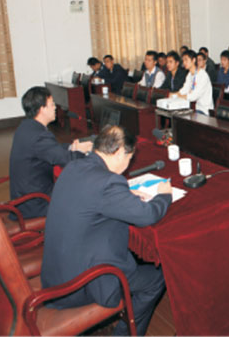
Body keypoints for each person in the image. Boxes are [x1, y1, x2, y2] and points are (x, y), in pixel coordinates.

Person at [40, 125, 172, 336]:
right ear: (119, 153)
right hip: (81, 285)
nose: (129, 164)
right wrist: (164, 195)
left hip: (56, 274)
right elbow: (147, 215)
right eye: (129, 158)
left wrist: (125, 196)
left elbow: (92, 197)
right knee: (157, 279)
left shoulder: (74, 167)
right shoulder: (108, 182)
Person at [9, 86, 92, 219]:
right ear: (42, 109)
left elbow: (51, 149)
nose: (55, 108)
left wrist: (72, 147)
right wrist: (82, 151)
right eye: (52, 104)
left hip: (24, 198)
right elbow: (67, 160)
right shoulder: (39, 135)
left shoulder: (26, 127)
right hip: (37, 203)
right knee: (84, 194)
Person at [174, 50, 213, 115]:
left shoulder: (202, 75)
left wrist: (180, 96)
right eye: (183, 60)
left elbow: (194, 96)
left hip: (203, 110)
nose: (184, 63)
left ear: (194, 60)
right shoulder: (189, 74)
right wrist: (176, 95)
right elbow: (184, 89)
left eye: (186, 60)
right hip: (193, 107)